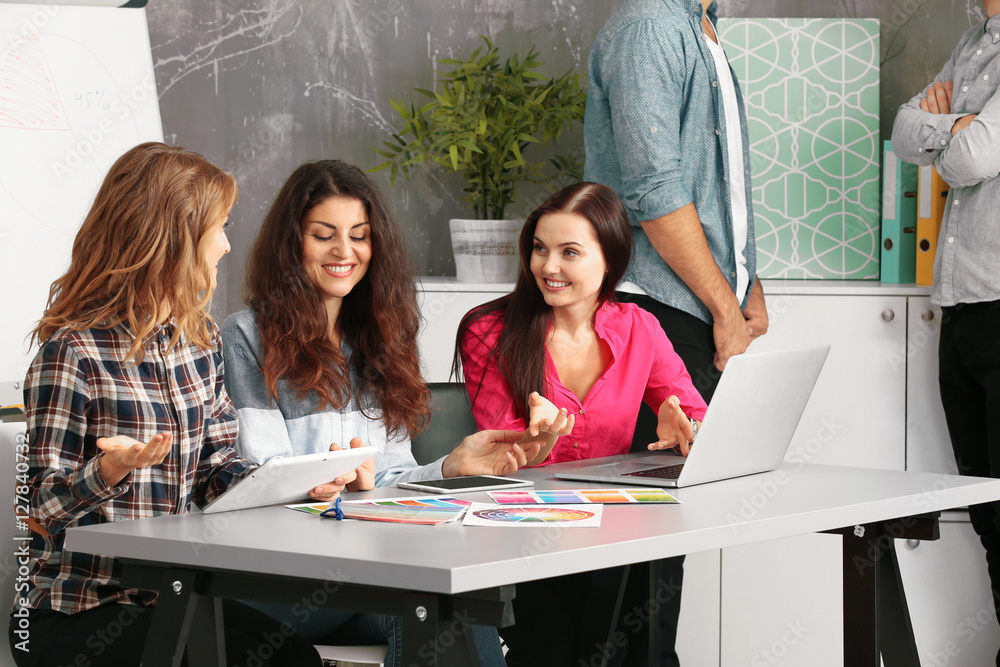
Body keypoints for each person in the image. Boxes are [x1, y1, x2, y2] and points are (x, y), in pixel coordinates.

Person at [9, 142, 322, 667]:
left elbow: (216, 471)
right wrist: (108, 471)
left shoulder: (197, 344)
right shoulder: (72, 353)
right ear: (173, 240)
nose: (226, 245)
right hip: (72, 611)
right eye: (219, 228)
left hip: (165, 598)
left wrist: (298, 484)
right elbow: (38, 510)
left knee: (293, 656)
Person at [222, 159, 529, 667]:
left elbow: (389, 475)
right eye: (324, 236)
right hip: (283, 579)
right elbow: (259, 477)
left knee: (448, 607)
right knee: (430, 590)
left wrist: (450, 466)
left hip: (363, 570)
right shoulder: (248, 334)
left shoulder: (382, 336)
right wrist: (324, 482)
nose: (344, 251)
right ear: (292, 243)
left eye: (359, 236)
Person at [583, 1, 769, 663]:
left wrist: (746, 283)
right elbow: (654, 188)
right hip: (657, 309)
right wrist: (724, 304)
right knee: (640, 542)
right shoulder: (651, 26)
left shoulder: (698, 25)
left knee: (664, 535)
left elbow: (719, 183)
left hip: (693, 305)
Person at [456, 181, 708, 666]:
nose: (548, 267)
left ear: (610, 260)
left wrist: (686, 427)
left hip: (610, 528)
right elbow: (502, 450)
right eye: (540, 249)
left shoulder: (638, 327)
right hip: (525, 531)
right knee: (563, 650)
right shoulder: (488, 330)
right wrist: (537, 438)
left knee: (649, 599)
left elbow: (694, 415)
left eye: (569, 252)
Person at [891, 2, 1000, 662]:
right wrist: (957, 125)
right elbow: (903, 134)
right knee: (988, 515)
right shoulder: (972, 43)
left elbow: (971, 159)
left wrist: (954, 128)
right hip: (961, 308)